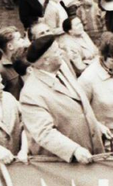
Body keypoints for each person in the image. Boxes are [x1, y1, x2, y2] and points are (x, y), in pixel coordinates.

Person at [20, 34, 106, 163]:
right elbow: (44, 133)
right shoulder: (31, 94)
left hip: (92, 152)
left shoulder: (62, 67)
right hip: (69, 163)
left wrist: (95, 124)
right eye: (56, 51)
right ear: (46, 60)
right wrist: (74, 150)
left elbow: (77, 103)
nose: (61, 52)